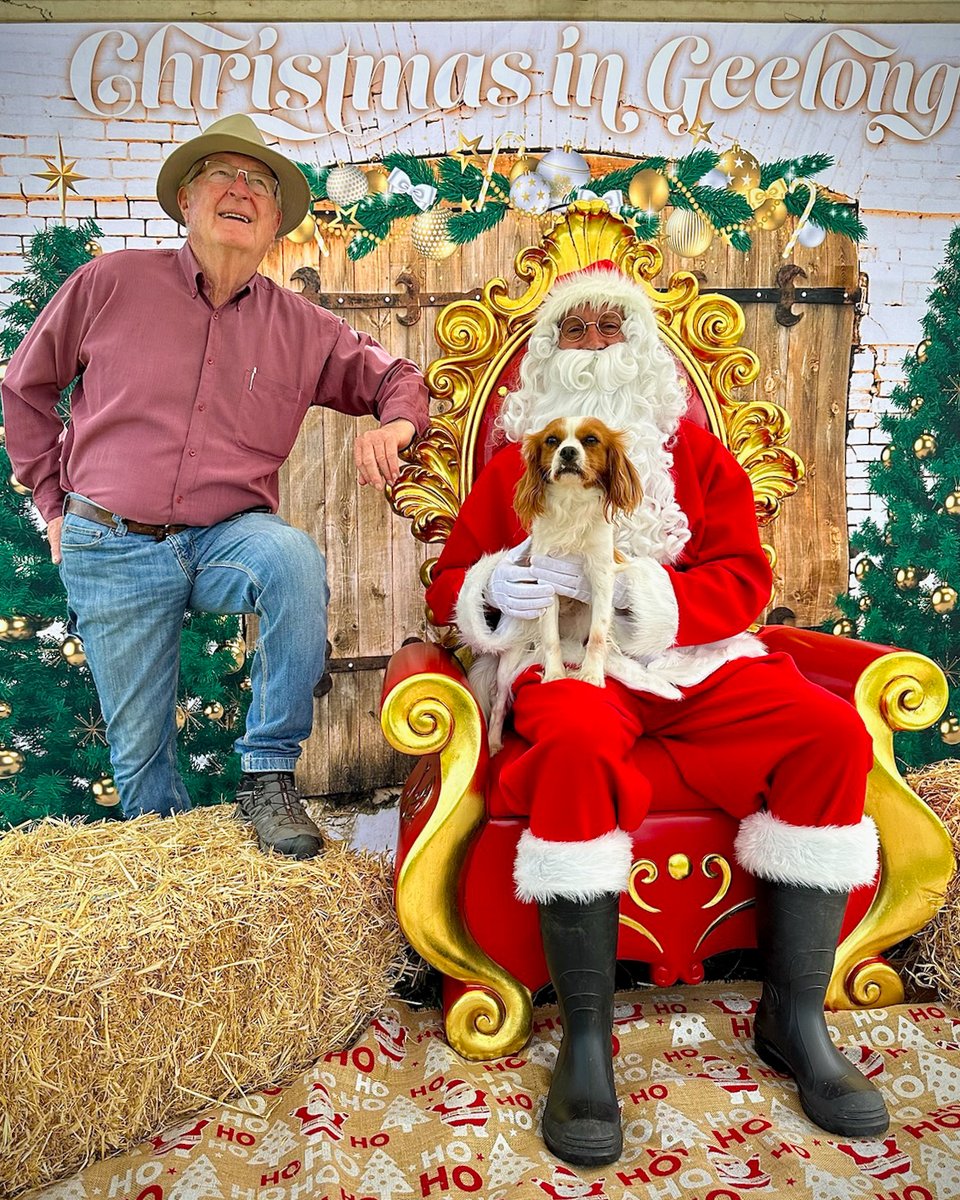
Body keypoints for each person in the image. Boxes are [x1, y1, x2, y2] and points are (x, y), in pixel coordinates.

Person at [424, 260, 887, 1165]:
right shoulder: (511, 469)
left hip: (691, 659)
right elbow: (453, 585)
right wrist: (497, 586)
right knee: (573, 743)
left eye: (610, 328)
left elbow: (745, 579)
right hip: (571, 668)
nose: (594, 345)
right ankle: (587, 1043)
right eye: (575, 329)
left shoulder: (697, 455)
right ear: (547, 351)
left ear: (641, 346)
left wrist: (648, 597)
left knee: (830, 732)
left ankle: (794, 1016)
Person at [2, 114, 429, 859]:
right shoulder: (108, 283)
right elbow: (24, 389)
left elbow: (398, 377)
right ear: (187, 202)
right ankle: (175, 886)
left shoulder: (305, 327)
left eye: (260, 183)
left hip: (225, 539)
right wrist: (50, 503)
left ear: (275, 225)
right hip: (111, 537)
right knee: (142, 771)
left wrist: (395, 425)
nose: (242, 190)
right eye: (222, 176)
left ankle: (268, 776)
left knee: (290, 557)